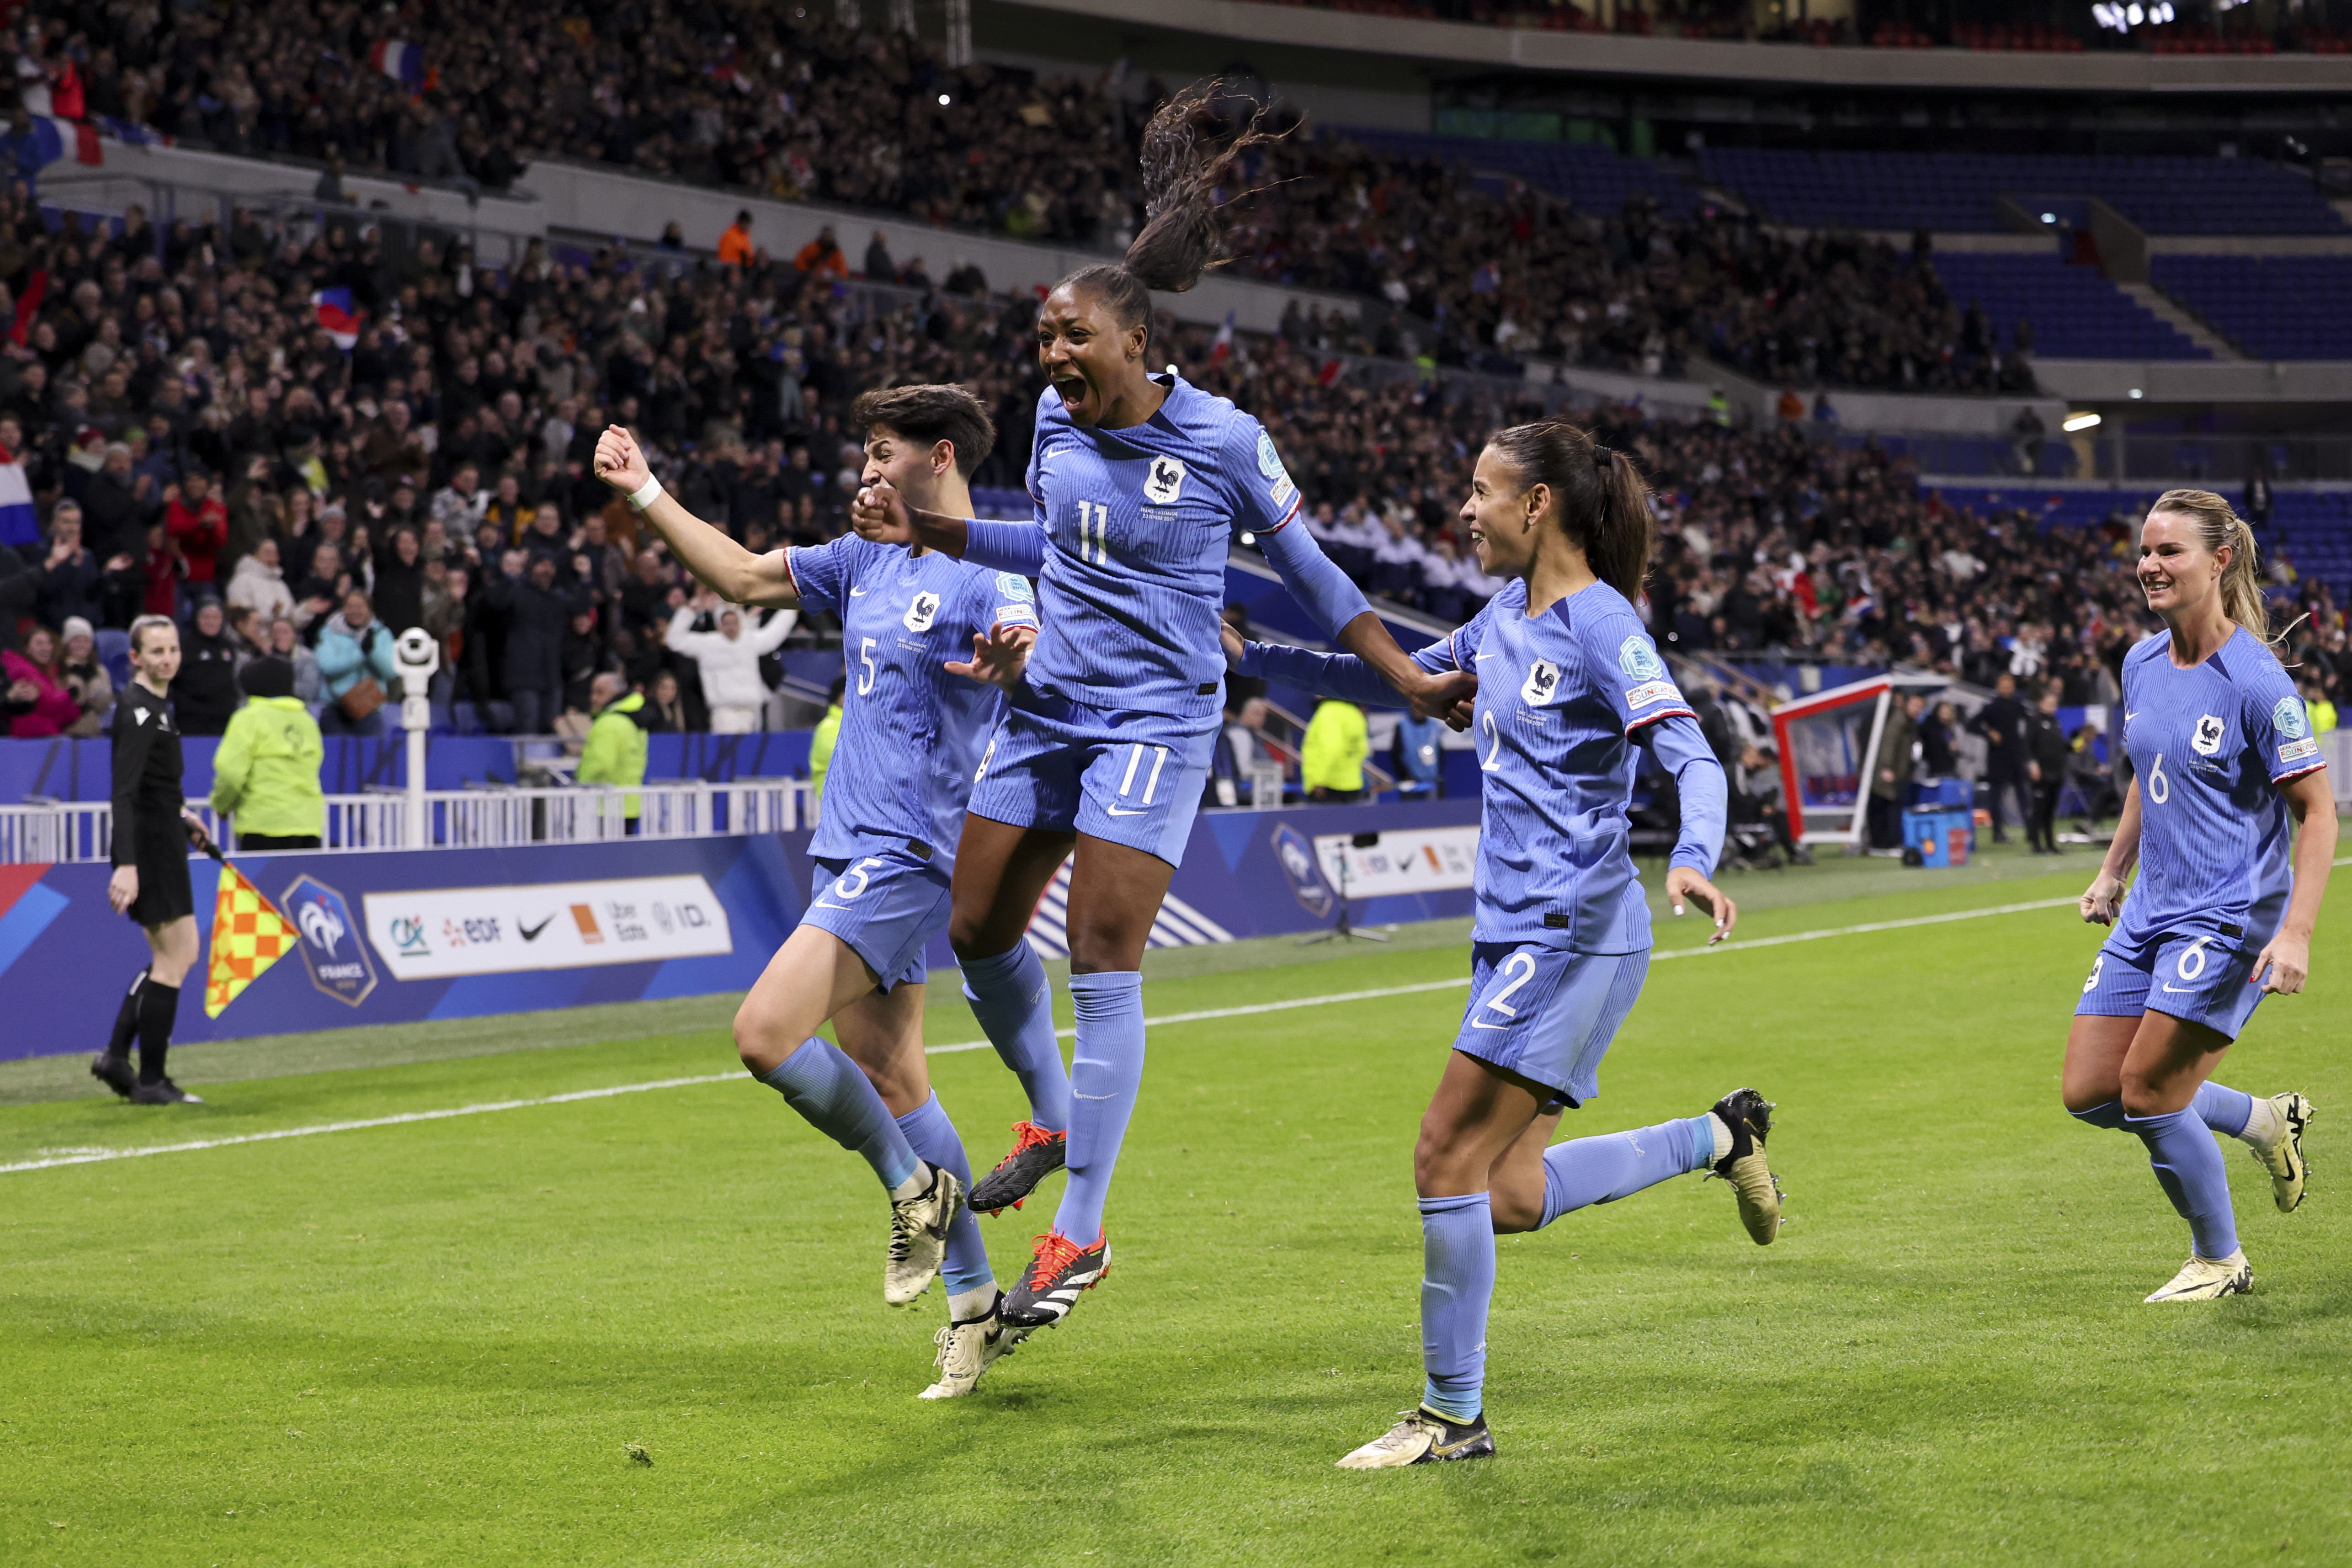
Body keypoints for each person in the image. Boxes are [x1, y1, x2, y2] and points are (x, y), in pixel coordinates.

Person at [850, 89, 1471, 1331]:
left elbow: (1312, 571)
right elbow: (1053, 543)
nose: (1050, 356)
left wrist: (1397, 670)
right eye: (1041, 339)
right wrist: (945, 528)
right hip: (1049, 707)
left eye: (1071, 336)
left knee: (1102, 956)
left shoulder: (1230, 440)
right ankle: (1048, 1111)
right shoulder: (1047, 423)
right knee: (975, 930)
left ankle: (1078, 1231)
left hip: (1155, 718)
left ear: (1134, 339)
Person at [1225, 421, 1771, 1468]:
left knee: (1443, 1155)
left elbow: (1691, 752)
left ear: (1540, 507)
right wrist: (1255, 658)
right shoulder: (1500, 620)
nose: (1464, 511)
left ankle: (1450, 1416)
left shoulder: (1602, 624)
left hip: (1573, 932)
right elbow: (1393, 679)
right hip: (1512, 935)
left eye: (1480, 492)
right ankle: (1719, 1138)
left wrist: (1695, 855)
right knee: (1508, 1194)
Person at [595, 383, 1064, 1398]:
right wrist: (645, 492)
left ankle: (910, 1188)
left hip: (903, 853)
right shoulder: (862, 562)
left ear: (938, 457)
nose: (863, 469)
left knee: (762, 1033)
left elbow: (1032, 647)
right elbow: (740, 573)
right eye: (860, 453)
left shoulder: (986, 568)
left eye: (881, 452)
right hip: (843, 847)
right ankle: (976, 1308)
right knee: (897, 1078)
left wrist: (1014, 663)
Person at [2068, 489, 2331, 1303]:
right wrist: (2113, 870)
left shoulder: (2256, 681)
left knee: (2148, 1093)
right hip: (2151, 907)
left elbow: (2318, 812)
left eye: (2169, 551)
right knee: (2090, 1092)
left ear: (2219, 561)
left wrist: (2296, 934)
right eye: (2144, 551)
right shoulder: (2141, 663)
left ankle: (2219, 1259)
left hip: (2229, 919)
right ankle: (2261, 1119)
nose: (2149, 564)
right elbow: (2151, 783)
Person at [92, 615, 214, 1106]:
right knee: (175, 956)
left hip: (165, 838)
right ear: (136, 657)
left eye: (173, 649)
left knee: (177, 954)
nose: (167, 658)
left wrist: (183, 815)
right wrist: (127, 863)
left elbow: (154, 784)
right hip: (149, 850)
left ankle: (118, 1058)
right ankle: (150, 1081)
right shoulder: (138, 711)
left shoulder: (157, 706)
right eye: (157, 651)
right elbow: (123, 794)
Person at [209, 657, 325, 850]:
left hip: (262, 825)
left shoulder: (248, 719)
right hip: (308, 827)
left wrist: (221, 805)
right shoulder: (308, 722)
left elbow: (230, 773)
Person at [665, 592, 796, 733]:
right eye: (726, 624)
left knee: (752, 753)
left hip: (752, 711)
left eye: (734, 623)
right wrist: (688, 612)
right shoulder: (708, 644)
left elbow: (774, 634)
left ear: (740, 624)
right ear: (719, 626)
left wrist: (793, 608)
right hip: (724, 713)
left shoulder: (749, 641)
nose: (731, 628)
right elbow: (674, 641)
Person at [315, 589, 399, 737]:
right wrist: (360, 655)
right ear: (343, 609)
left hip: (369, 708)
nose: (355, 611)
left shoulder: (382, 634)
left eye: (360, 607)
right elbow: (326, 666)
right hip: (335, 708)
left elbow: (391, 671)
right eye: (350, 606)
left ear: (369, 609)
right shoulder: (329, 633)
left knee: (372, 756)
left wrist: (373, 653)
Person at [576, 670, 649, 832]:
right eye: (593, 692)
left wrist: (579, 785)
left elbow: (600, 764)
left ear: (616, 694)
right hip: (631, 804)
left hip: (605, 806)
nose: (593, 698)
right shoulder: (633, 721)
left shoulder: (608, 723)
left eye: (600, 692)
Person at [1972, 671, 2031, 844]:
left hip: (2015, 756)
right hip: (1997, 757)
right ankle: (1997, 832)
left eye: (2009, 686)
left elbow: (2029, 722)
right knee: (1995, 797)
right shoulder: (1992, 706)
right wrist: (1989, 733)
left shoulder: (2017, 705)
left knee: (2023, 795)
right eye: (2003, 686)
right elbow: (1973, 724)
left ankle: (2030, 829)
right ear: (1998, 688)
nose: (2007, 689)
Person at [175, 597, 242, 737]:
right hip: (192, 721)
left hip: (225, 721)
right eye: (206, 617)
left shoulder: (228, 647)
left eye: (216, 618)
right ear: (196, 618)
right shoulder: (183, 645)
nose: (211, 622)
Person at [1868, 690, 1922, 853]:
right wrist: (1886, 767)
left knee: (1891, 807)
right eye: (1914, 705)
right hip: (1890, 773)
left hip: (1900, 773)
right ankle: (1888, 841)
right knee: (1889, 806)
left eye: (1920, 707)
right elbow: (1888, 744)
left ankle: (1887, 842)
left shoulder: (1910, 723)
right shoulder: (1899, 721)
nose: (1917, 709)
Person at [2024, 685, 2069, 855]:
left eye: (2054, 703)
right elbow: (2027, 745)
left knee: (2051, 810)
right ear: (2041, 703)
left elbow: (2061, 747)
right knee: (2039, 809)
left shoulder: (2056, 722)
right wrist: (2032, 764)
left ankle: (2050, 844)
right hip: (2041, 772)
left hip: (2056, 772)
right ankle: (2036, 844)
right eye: (2049, 702)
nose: (2052, 706)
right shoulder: (2035, 722)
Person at [1301, 693, 1368, 802]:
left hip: (1328, 787)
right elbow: (1362, 749)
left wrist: (1318, 780)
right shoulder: (1355, 713)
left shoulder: (1328, 712)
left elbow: (1330, 749)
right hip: (1352, 784)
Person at [809, 674, 846, 803]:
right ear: (837, 697)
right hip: (836, 798)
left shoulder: (859, 723)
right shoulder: (828, 727)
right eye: (845, 692)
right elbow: (845, 759)